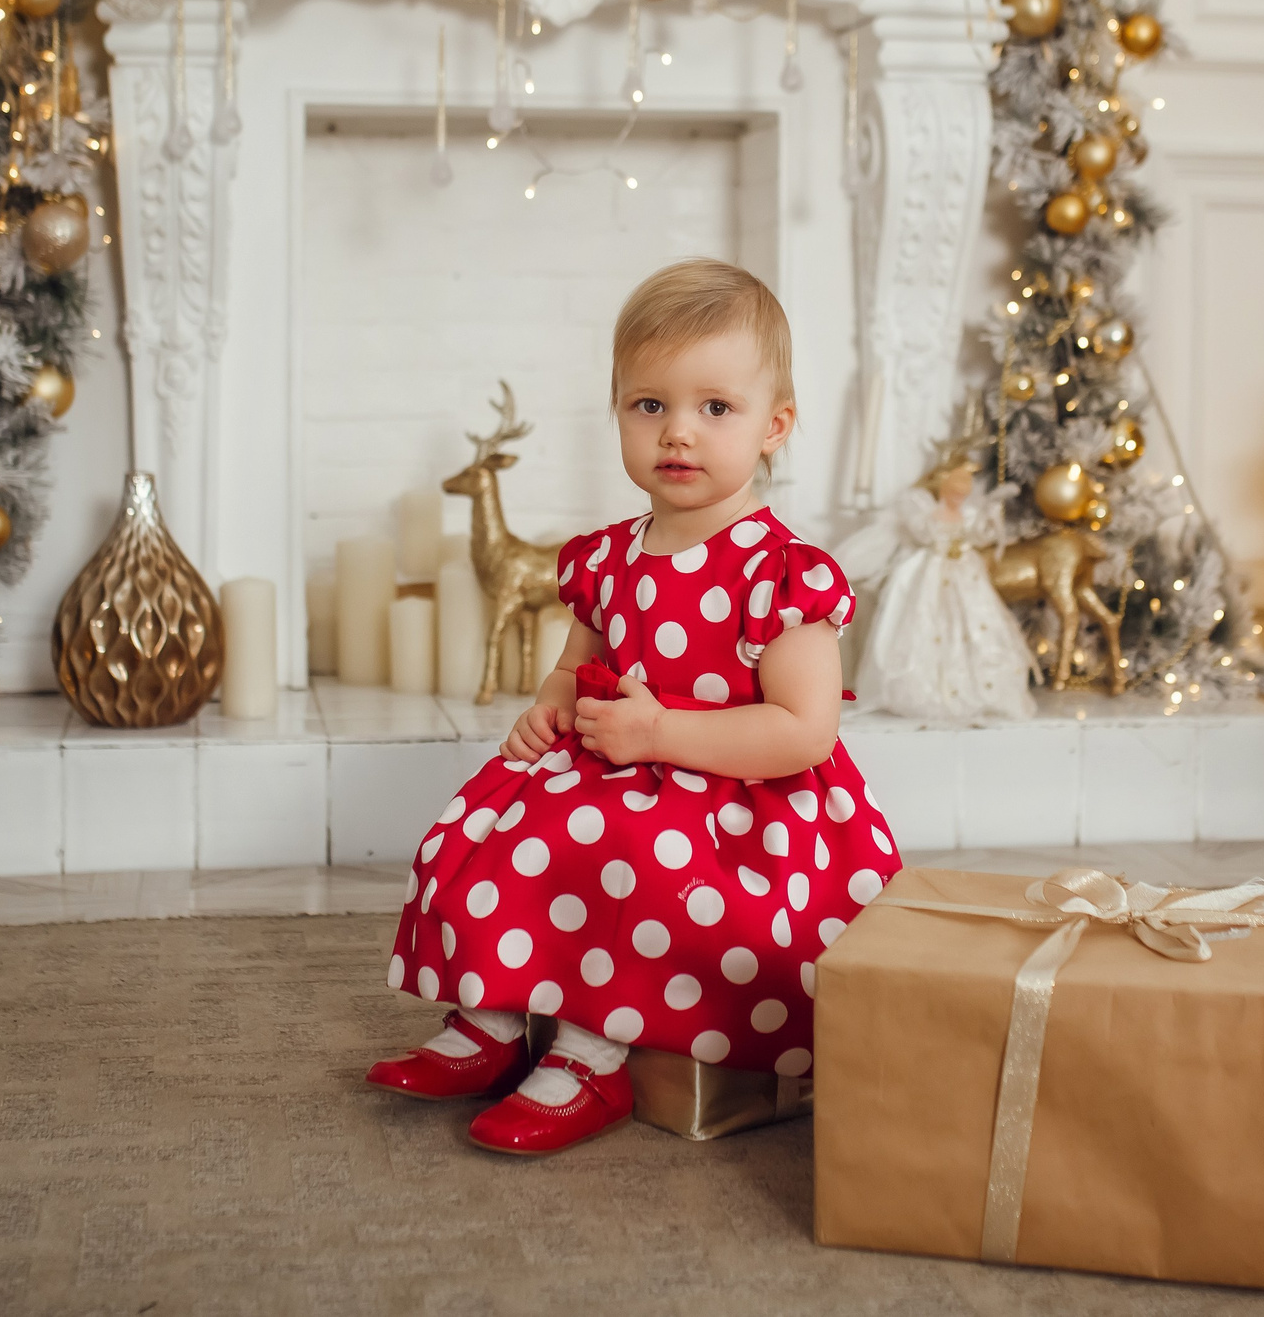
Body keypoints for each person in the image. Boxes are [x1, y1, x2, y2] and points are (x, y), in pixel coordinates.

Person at [365, 259, 903, 1156]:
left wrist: (660, 732)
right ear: (616, 410)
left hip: (738, 803)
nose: (677, 433)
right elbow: (578, 668)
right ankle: (493, 1022)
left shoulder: (781, 575)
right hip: (617, 764)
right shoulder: (608, 557)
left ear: (775, 427)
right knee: (497, 822)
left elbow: (802, 731)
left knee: (625, 857)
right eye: (648, 405)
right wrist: (548, 709)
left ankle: (588, 1058)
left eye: (715, 409)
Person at [837, 444, 1037, 722]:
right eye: (957, 482)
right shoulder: (922, 508)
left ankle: (981, 687)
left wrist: (991, 515)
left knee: (976, 623)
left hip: (967, 574)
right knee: (923, 621)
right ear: (942, 482)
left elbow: (980, 536)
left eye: (967, 484)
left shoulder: (969, 514)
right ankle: (917, 688)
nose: (962, 490)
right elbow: (923, 532)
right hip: (930, 573)